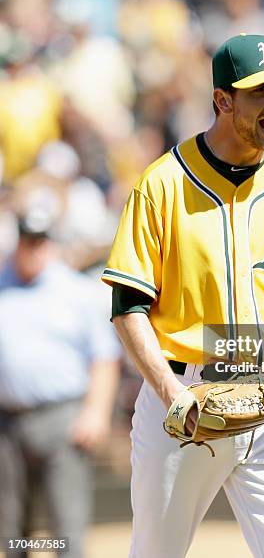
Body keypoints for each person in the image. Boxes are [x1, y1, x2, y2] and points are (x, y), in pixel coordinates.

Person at [102, 33, 264, 557]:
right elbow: (127, 309)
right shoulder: (162, 184)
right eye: (260, 91)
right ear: (221, 100)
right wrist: (172, 396)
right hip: (187, 399)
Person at [0, 203, 120, 558]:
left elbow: (104, 356)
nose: (34, 249)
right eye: (28, 241)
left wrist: (96, 412)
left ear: (50, 244)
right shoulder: (2, 285)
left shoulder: (75, 291)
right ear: (18, 242)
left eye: (40, 241)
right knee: (11, 529)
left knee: (65, 526)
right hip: (7, 422)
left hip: (62, 417)